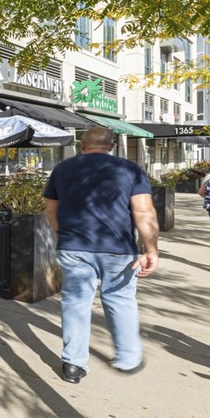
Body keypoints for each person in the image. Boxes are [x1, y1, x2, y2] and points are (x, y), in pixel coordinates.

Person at [43, 127, 158, 384]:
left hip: (73, 247)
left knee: (75, 302)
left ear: (81, 145)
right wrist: (151, 250)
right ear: (112, 146)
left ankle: (73, 364)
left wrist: (64, 235)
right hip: (117, 248)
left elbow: (51, 210)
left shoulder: (62, 169)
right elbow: (143, 212)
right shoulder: (129, 170)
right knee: (119, 299)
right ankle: (128, 359)